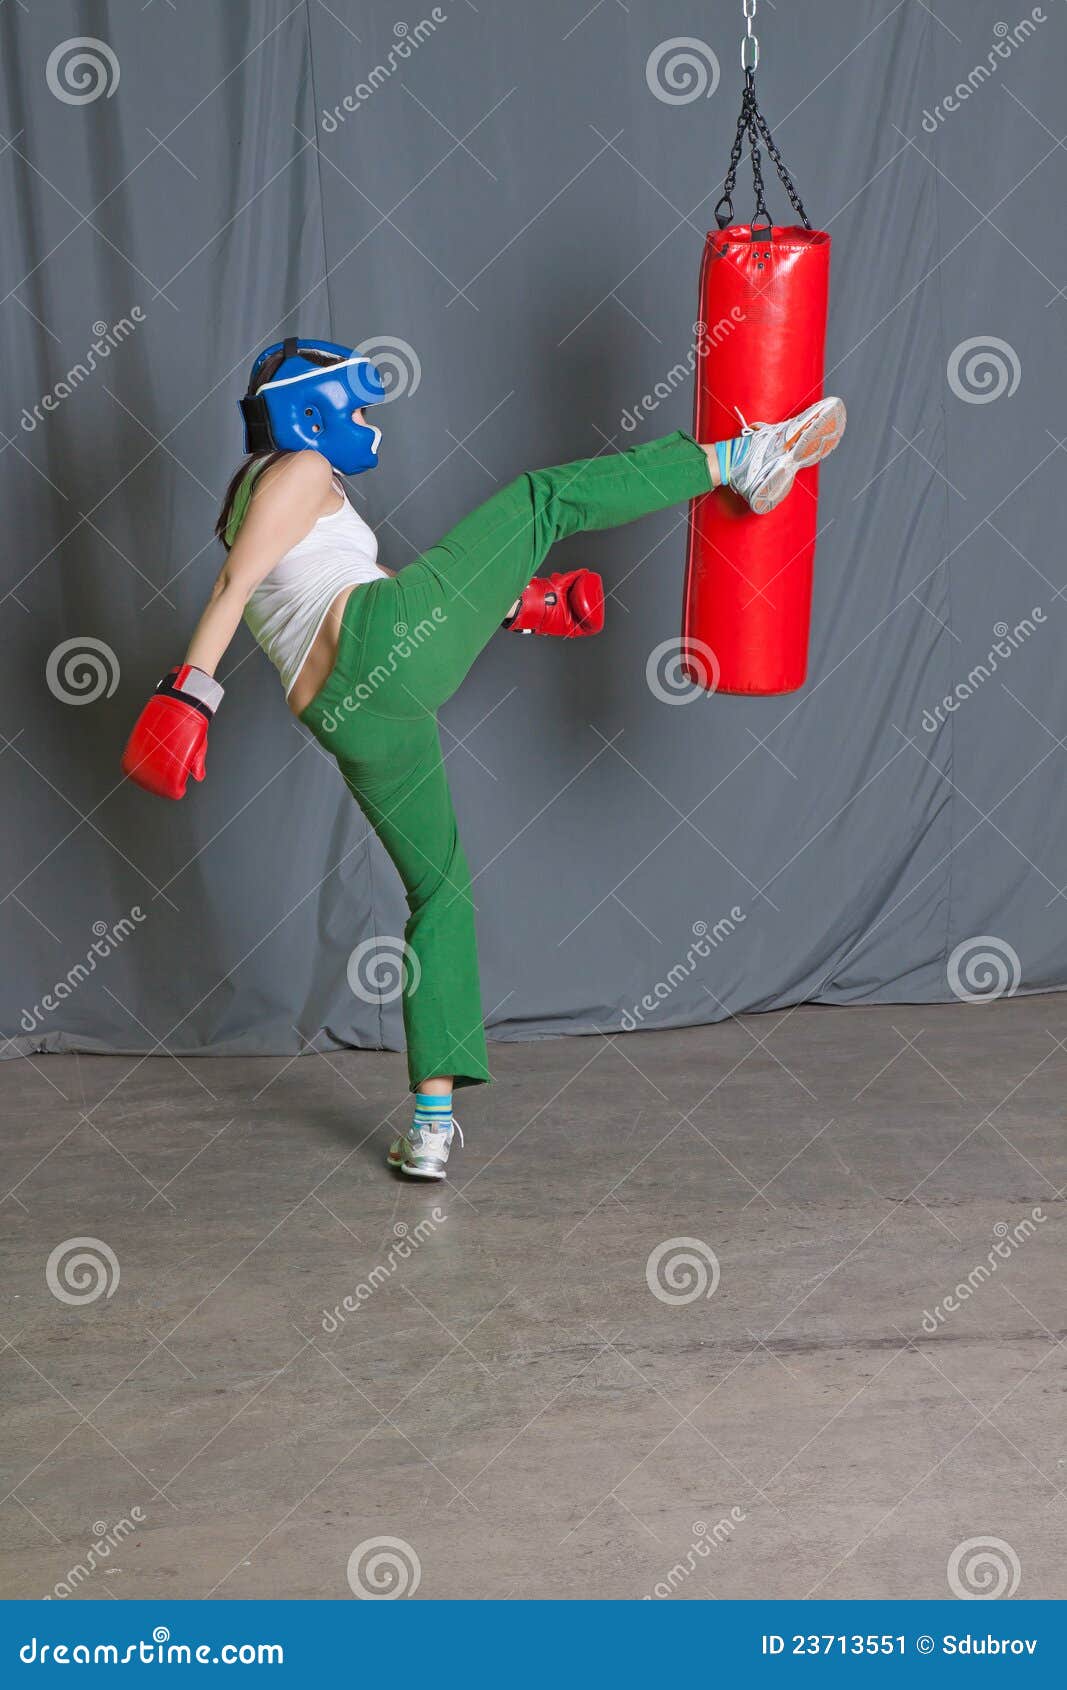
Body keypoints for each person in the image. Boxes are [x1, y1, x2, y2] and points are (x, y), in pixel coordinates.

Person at [122, 335, 846, 1180]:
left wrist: (512, 603)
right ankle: (739, 459)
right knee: (541, 498)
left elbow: (363, 583)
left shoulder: (259, 500)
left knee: (440, 893)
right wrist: (188, 695)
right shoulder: (300, 470)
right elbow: (234, 589)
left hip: (350, 716)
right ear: (308, 414)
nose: (366, 420)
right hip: (379, 647)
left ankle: (430, 1128)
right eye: (355, 404)